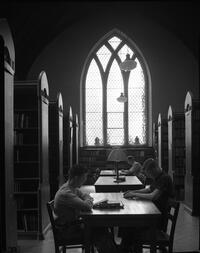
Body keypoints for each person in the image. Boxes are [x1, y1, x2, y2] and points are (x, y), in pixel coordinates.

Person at [54, 164, 119, 253]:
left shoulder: (71, 187)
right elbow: (87, 206)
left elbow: (85, 195)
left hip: (73, 224)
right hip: (69, 230)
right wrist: (88, 199)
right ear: (77, 178)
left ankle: (111, 249)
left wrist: (87, 199)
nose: (85, 180)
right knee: (100, 231)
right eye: (84, 177)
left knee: (102, 227)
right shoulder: (66, 193)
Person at [119, 158, 175, 252]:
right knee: (126, 224)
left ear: (155, 169)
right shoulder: (158, 177)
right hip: (153, 212)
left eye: (150, 174)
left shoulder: (164, 178)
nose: (150, 176)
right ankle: (127, 248)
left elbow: (153, 196)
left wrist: (134, 194)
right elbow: (148, 189)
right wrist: (133, 191)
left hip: (157, 218)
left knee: (129, 225)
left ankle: (128, 248)